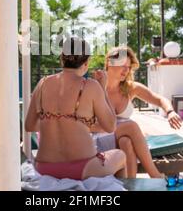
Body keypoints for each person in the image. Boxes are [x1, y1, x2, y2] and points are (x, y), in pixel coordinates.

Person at [25, 37, 127, 180]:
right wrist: (103, 89)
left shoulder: (43, 83)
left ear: (62, 59)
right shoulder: (91, 86)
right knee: (120, 155)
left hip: (45, 167)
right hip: (82, 167)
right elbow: (110, 126)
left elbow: (29, 125)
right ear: (86, 62)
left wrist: (56, 120)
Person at [91, 46, 182, 178]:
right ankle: (155, 174)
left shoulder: (130, 88)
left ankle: (130, 184)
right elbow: (82, 122)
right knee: (131, 126)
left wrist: (170, 112)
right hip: (98, 141)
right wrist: (103, 127)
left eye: (128, 67)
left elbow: (159, 99)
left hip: (119, 141)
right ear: (109, 64)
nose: (125, 70)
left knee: (126, 141)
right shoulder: (94, 87)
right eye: (122, 65)